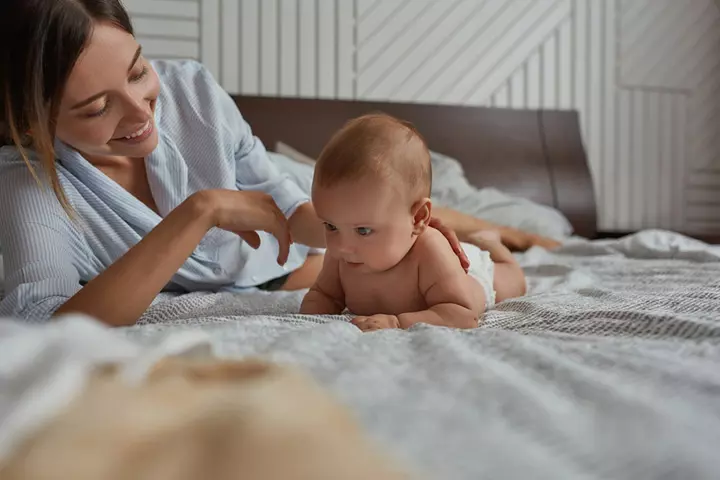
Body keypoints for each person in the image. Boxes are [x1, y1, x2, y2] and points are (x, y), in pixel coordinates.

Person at [0, 0, 556, 327]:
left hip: (302, 233)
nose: (142, 112)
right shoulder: (31, 188)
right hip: (292, 267)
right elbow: (44, 324)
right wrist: (202, 210)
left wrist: (349, 224)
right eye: (98, 108)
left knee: (387, 204)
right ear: (31, 124)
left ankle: (502, 232)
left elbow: (291, 205)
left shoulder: (189, 92)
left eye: (140, 72)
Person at [299, 114, 525, 331]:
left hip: (472, 275)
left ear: (417, 218)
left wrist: (398, 322)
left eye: (363, 230)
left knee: (513, 283)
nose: (339, 246)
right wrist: (310, 314)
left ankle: (494, 245)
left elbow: (462, 315)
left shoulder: (429, 250)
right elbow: (324, 295)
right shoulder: (342, 253)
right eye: (330, 226)